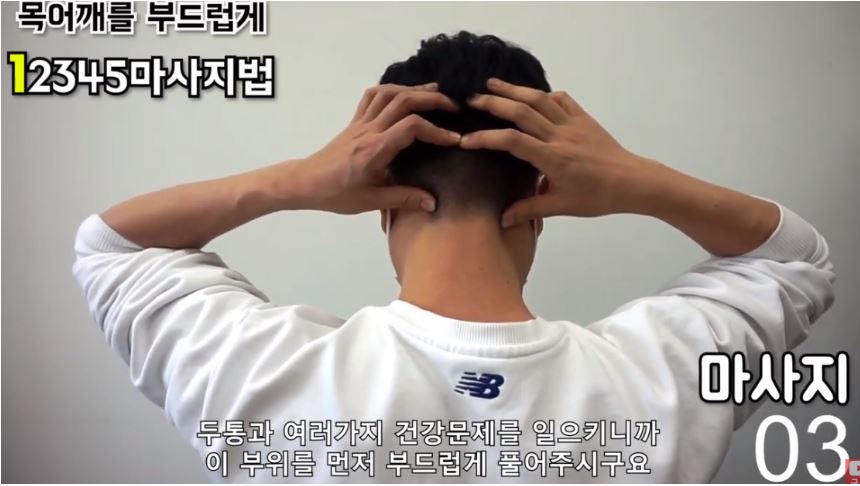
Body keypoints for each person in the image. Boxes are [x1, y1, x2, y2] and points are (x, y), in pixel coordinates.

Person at [73, 32, 835, 482]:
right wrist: (637, 180)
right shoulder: (657, 385)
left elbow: (110, 245)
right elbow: (794, 261)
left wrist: (298, 180)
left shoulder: (265, 377)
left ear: (381, 206)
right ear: (541, 198)